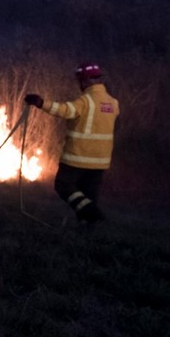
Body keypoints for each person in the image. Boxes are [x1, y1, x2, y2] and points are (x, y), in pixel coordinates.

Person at [25, 63, 120, 226]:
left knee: (63, 185)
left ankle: (92, 213)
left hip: (78, 156)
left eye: (81, 81)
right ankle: (88, 229)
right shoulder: (113, 103)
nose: (80, 85)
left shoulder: (86, 101)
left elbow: (65, 110)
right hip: (100, 160)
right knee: (88, 194)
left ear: (87, 81)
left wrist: (41, 103)